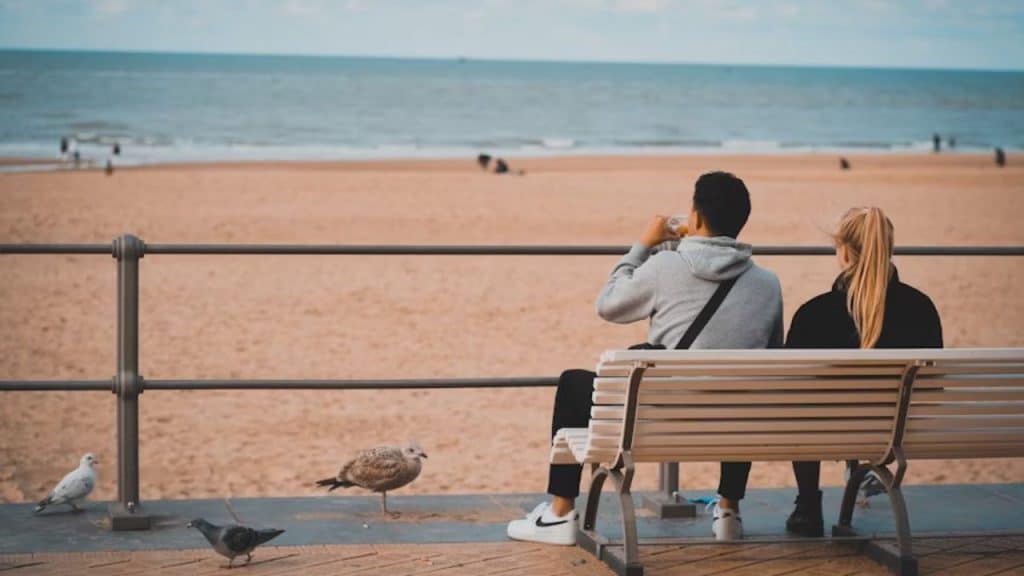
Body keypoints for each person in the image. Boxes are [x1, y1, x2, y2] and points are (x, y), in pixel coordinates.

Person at [506, 172, 783, 545]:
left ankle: (559, 514)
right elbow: (770, 355)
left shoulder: (664, 266)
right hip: (733, 424)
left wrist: (644, 246)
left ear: (695, 218)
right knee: (739, 381)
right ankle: (729, 509)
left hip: (658, 419)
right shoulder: (768, 284)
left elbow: (609, 305)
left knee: (573, 381)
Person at [783, 207, 942, 538]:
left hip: (826, 432)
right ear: (889, 249)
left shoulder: (813, 314)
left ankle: (809, 505)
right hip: (895, 434)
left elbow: (791, 390)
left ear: (843, 252)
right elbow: (931, 389)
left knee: (799, 410)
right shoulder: (921, 308)